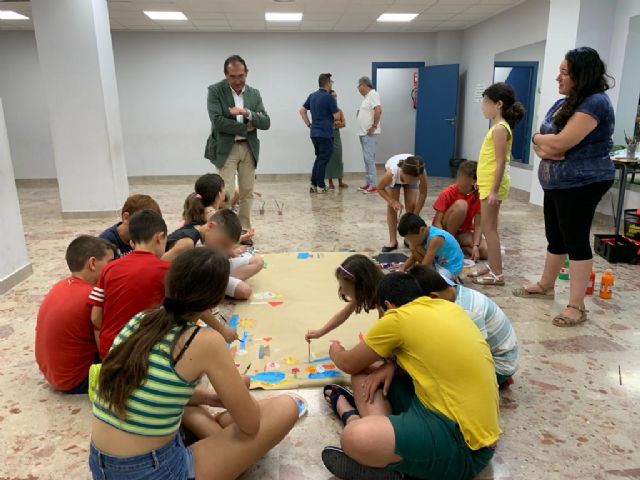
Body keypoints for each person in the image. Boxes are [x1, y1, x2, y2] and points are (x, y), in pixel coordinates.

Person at [90, 248, 298, 480]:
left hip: (101, 464)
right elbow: (250, 425)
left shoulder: (140, 320)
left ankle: (213, 430)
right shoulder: (204, 341)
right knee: (286, 407)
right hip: (154, 471)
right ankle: (219, 438)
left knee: (203, 408)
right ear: (216, 300)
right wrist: (240, 389)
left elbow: (149, 387)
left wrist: (208, 397)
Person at [321, 273, 500, 480]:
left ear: (387, 306)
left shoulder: (396, 318)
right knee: (366, 374)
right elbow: (435, 357)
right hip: (444, 410)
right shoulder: (448, 307)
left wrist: (335, 349)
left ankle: (353, 419)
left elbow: (348, 363)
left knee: (353, 438)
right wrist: (392, 366)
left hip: (465, 447)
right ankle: (386, 444)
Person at [513, 47, 615, 327]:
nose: (557, 77)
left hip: (582, 182)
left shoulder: (595, 103)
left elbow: (559, 143)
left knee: (575, 241)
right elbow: (543, 141)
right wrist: (540, 141)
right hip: (557, 182)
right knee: (555, 236)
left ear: (581, 76)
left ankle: (576, 306)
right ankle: (546, 285)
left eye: (564, 72)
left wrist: (548, 144)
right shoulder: (564, 103)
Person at [409, 265, 518, 386]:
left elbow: (476, 355)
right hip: (496, 352)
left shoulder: (467, 312)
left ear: (433, 296)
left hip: (500, 366)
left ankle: (499, 380)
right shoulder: (453, 290)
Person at [35, 236, 116, 394]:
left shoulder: (60, 285)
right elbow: (107, 345)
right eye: (110, 262)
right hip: (75, 380)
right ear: (92, 263)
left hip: (52, 374)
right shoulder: (93, 296)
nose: (113, 267)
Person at [89, 210, 170, 359]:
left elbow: (95, 317)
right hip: (138, 350)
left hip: (109, 348)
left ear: (132, 242)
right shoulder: (164, 270)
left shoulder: (109, 267)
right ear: (159, 237)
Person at [468, 83, 525, 286]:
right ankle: (492, 266)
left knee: (489, 229)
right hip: (486, 183)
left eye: (486, 102)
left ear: (498, 104)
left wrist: (492, 190)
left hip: (493, 186)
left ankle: (497, 273)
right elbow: (488, 159)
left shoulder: (500, 129)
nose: (483, 106)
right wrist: (480, 182)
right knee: (487, 227)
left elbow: (500, 161)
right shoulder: (496, 127)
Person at [205, 54, 270, 230]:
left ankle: (243, 230)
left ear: (246, 73)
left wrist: (247, 113)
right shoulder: (215, 91)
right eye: (233, 76)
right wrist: (244, 128)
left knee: (247, 192)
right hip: (226, 148)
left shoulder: (254, 93)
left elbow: (266, 122)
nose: (237, 80)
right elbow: (217, 121)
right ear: (226, 75)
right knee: (224, 194)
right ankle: (225, 232)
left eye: (241, 75)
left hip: (248, 148)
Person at [164, 208, 263, 301]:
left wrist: (239, 243)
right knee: (245, 291)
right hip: (197, 280)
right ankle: (215, 287)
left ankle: (220, 283)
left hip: (210, 271)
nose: (224, 249)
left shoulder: (208, 233)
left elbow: (224, 247)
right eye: (223, 244)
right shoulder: (188, 242)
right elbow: (159, 265)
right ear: (210, 226)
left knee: (258, 261)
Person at [305, 254, 383, 342]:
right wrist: (321, 332)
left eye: (345, 287)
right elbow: (344, 313)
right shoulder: (368, 291)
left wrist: (340, 354)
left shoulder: (385, 303)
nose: (342, 292)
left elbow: (382, 335)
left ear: (361, 287)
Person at [433, 160, 488, 260]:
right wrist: (443, 240)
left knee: (485, 251)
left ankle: (461, 248)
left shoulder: (477, 196)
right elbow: (436, 223)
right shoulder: (448, 192)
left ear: (473, 181)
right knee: (461, 205)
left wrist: (475, 246)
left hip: (463, 234)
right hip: (446, 233)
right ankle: (450, 246)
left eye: (463, 176)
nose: (458, 179)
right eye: (459, 175)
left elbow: (478, 225)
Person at [376, 154, 428, 252]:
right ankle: (393, 241)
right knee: (392, 208)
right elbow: (379, 188)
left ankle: (408, 239)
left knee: (411, 207)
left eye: (415, 179)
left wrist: (414, 215)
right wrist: (392, 202)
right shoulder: (392, 173)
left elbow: (423, 193)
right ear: (403, 172)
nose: (412, 181)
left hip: (411, 171)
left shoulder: (420, 172)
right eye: (411, 179)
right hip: (395, 179)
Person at [299, 73, 341, 193]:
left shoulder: (312, 96)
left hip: (314, 133)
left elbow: (302, 110)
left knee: (319, 158)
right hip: (325, 133)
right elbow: (337, 116)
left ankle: (313, 184)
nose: (331, 84)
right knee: (323, 159)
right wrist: (334, 101)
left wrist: (309, 124)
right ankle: (321, 185)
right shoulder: (329, 97)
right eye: (331, 82)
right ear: (327, 83)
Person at [397, 212, 464, 281]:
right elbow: (414, 257)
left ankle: (449, 280)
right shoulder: (422, 235)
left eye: (411, 238)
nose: (410, 241)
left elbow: (425, 265)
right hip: (438, 262)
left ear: (422, 230)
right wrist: (402, 268)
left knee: (432, 284)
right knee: (414, 247)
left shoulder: (435, 238)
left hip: (450, 268)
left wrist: (415, 278)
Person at [356, 76, 382, 193]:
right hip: (364, 134)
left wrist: (374, 126)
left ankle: (373, 185)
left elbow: (378, 110)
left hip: (370, 134)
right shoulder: (367, 97)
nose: (358, 88)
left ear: (365, 85)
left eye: (359, 86)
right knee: (366, 159)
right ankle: (368, 183)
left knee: (369, 159)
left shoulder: (373, 94)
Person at [326, 90, 348, 190]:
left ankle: (340, 181)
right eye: (333, 96)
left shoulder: (339, 110)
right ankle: (330, 182)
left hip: (337, 138)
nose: (335, 98)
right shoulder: (325, 110)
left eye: (336, 96)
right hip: (328, 137)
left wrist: (338, 123)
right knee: (329, 159)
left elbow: (344, 123)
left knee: (338, 159)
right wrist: (333, 123)